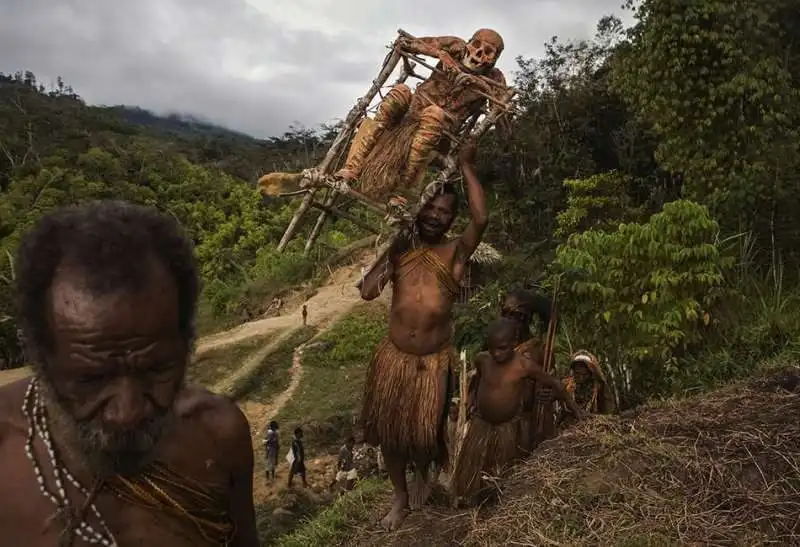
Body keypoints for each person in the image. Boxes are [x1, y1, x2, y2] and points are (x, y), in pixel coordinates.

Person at [0, 201, 258, 546]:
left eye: (155, 370)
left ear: (186, 347)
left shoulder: (219, 435)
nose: (128, 412)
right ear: (42, 359)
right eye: (91, 379)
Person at [358, 140, 488, 530]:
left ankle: (423, 478)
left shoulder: (456, 254)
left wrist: (466, 166)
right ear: (419, 209)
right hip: (393, 358)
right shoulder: (400, 250)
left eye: (444, 212)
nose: (435, 216)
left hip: (432, 362)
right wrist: (393, 243)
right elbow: (367, 291)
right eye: (430, 208)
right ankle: (400, 498)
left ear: (452, 219)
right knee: (391, 435)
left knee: (425, 436)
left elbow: (480, 220)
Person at [451, 318, 585, 501]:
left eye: (502, 348)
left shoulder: (523, 365)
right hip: (481, 424)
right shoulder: (482, 359)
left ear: (514, 344)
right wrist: (471, 401)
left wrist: (576, 410)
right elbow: (477, 380)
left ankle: (498, 500)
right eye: (492, 348)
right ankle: (470, 498)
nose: (496, 353)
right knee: (474, 467)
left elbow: (556, 384)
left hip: (508, 427)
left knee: (504, 470)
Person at [558, 350, 616, 427]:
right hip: (567, 426)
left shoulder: (599, 387)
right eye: (576, 372)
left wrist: (590, 417)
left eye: (582, 373)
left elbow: (608, 414)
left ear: (589, 373)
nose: (578, 375)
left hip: (592, 426)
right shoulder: (565, 385)